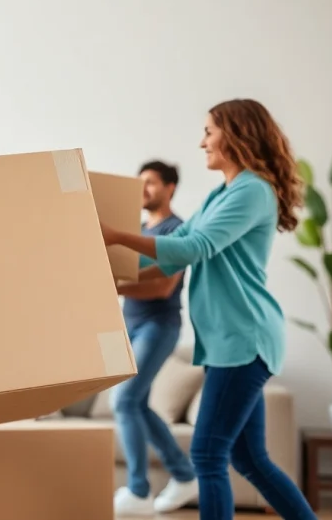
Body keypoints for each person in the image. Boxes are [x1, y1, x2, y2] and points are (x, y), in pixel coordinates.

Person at [100, 98, 315, 520]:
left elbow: (192, 247)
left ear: (234, 135)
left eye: (209, 132)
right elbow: (174, 259)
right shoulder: (224, 193)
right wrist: (110, 272)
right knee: (249, 460)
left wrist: (118, 236)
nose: (202, 142)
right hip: (228, 343)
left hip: (244, 338)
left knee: (208, 454)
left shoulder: (252, 191)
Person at [110, 160, 198, 516]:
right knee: (139, 405)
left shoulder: (176, 229)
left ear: (170, 187)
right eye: (139, 182)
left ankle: (138, 490)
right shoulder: (136, 229)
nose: (143, 188)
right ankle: (183, 474)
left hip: (158, 326)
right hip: (129, 325)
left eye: (151, 182)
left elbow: (163, 288)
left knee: (124, 401)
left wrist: (114, 287)